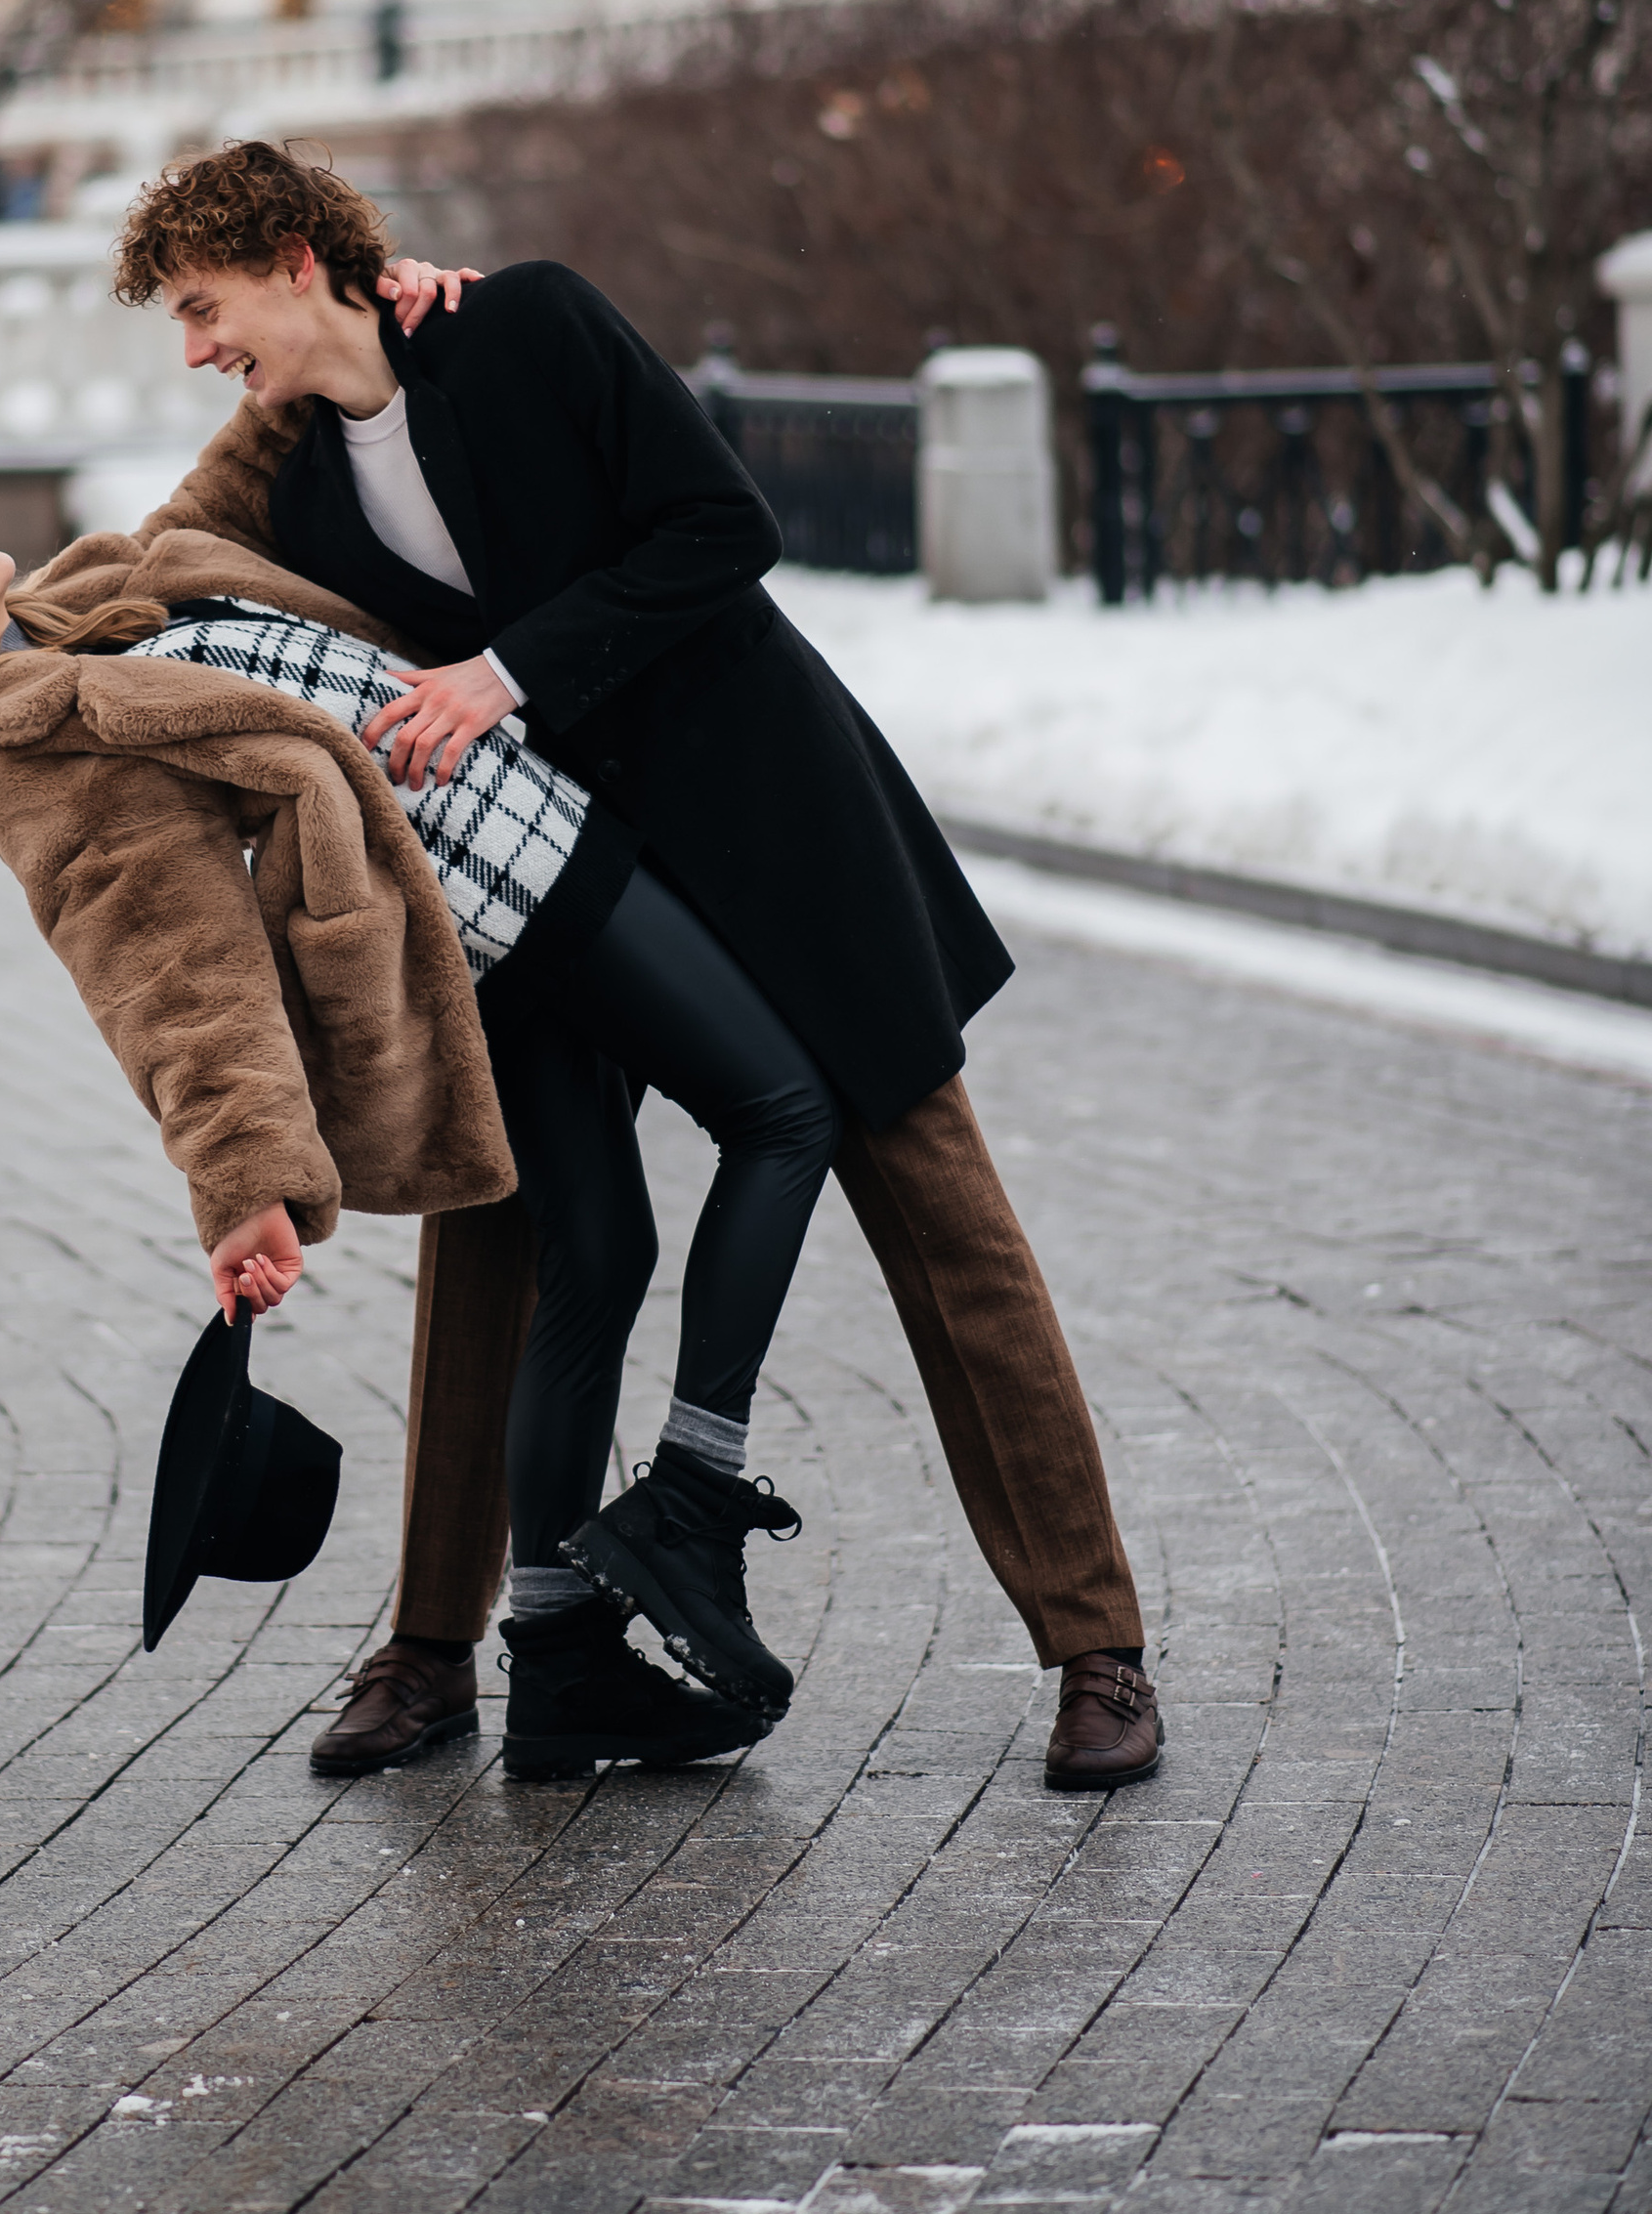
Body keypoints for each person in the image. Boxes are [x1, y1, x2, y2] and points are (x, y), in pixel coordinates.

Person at [89, 142, 1161, 1798]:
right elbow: (148, 566)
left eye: (204, 305)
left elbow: (727, 525)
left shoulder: (529, 326)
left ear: (297, 258)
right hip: (543, 887)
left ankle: (1097, 1647)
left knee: (946, 1217)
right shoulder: (296, 487)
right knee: (499, 1237)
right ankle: (436, 1649)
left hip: (766, 822)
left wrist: (506, 670)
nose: (191, 348)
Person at [0, 494, 782, 1781]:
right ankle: (658, 1538)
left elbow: (218, 494)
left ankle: (564, 1659)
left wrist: (319, 370)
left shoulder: (80, 606)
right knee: (770, 1117)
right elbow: (175, 973)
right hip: (493, 894)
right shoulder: (48, 752)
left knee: (603, 1252)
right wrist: (245, 1183)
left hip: (508, 848)